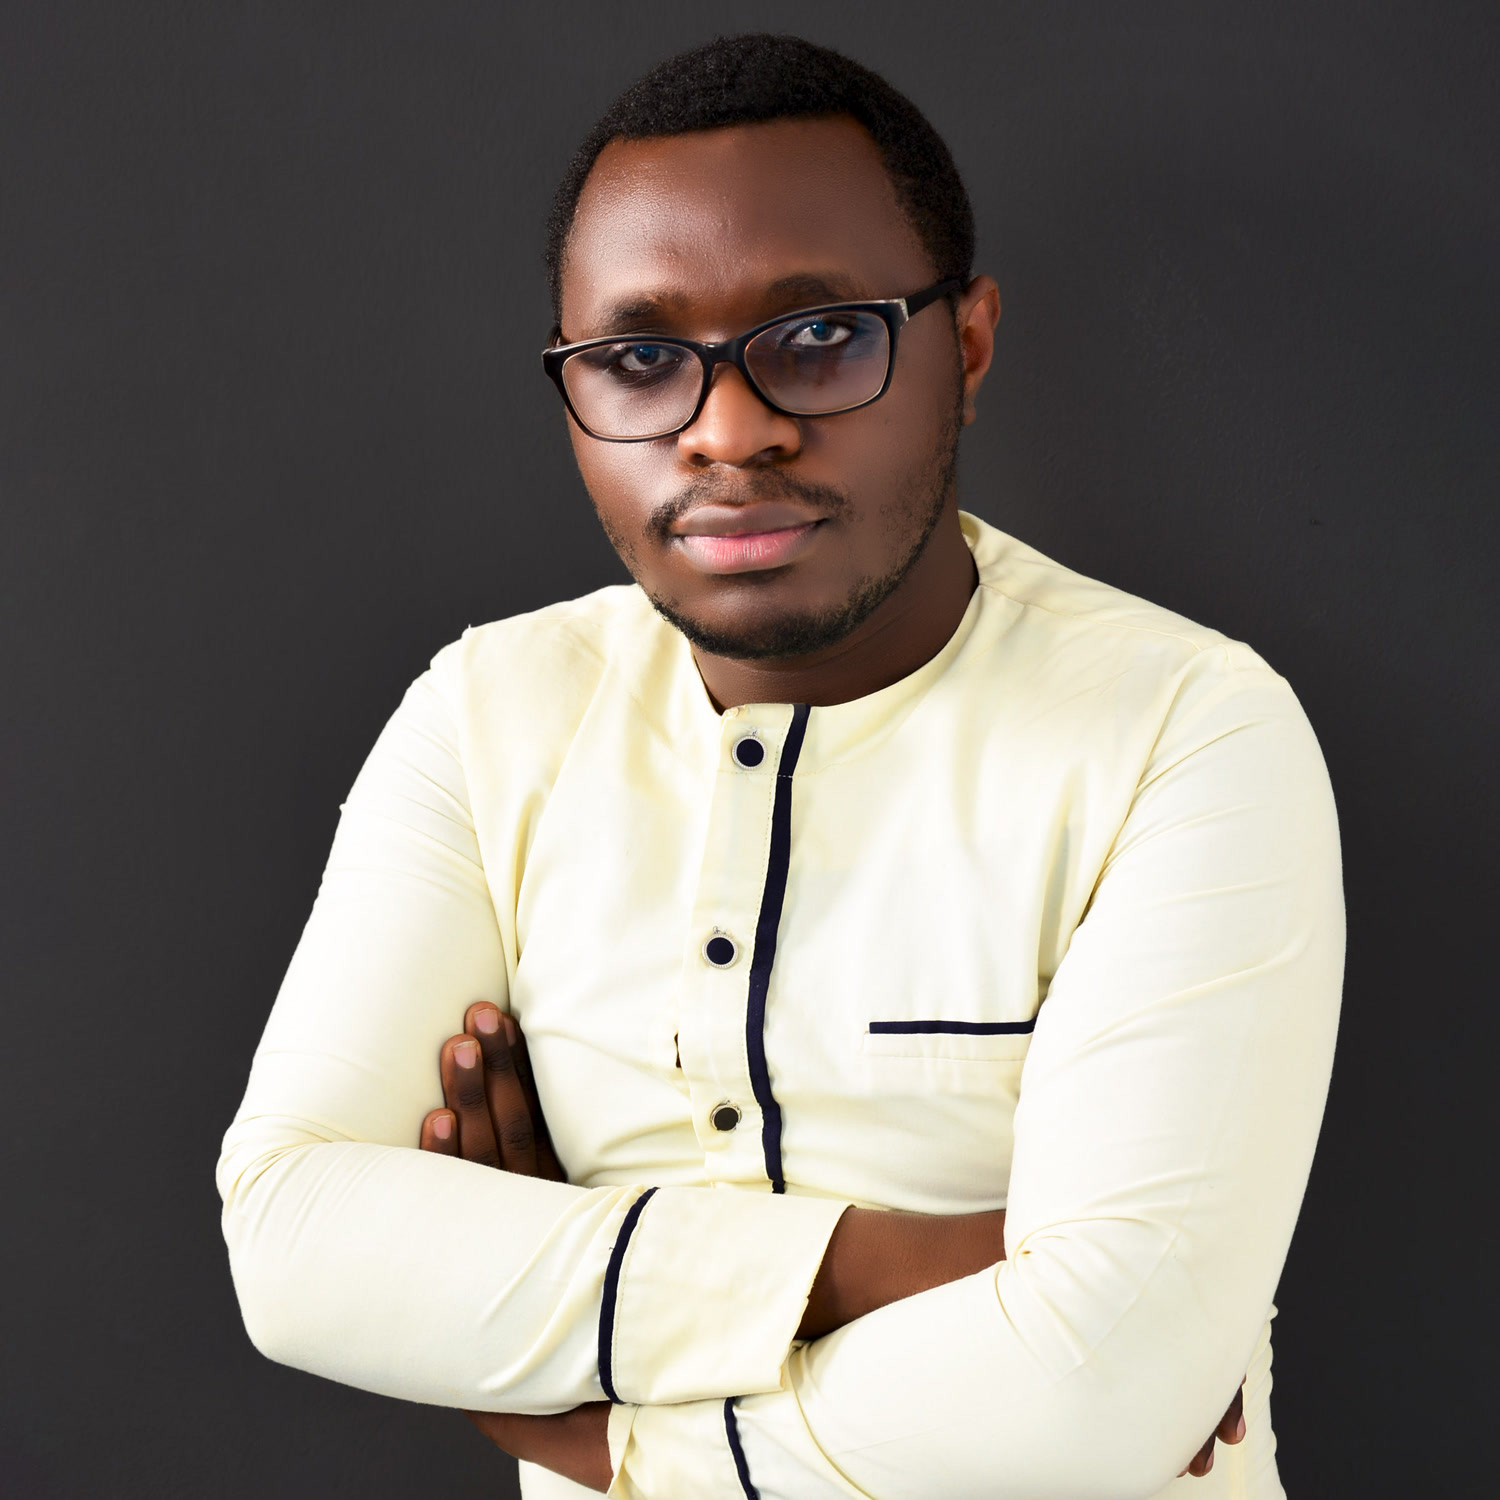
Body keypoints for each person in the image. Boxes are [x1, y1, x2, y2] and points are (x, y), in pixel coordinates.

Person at [217, 33, 1343, 1500]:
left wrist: (575, 1407)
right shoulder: (490, 715)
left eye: (820, 338)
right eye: (638, 362)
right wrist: (888, 1264)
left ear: (967, 348)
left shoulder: (1187, 732)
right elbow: (292, 1242)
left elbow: (1090, 1402)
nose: (728, 431)